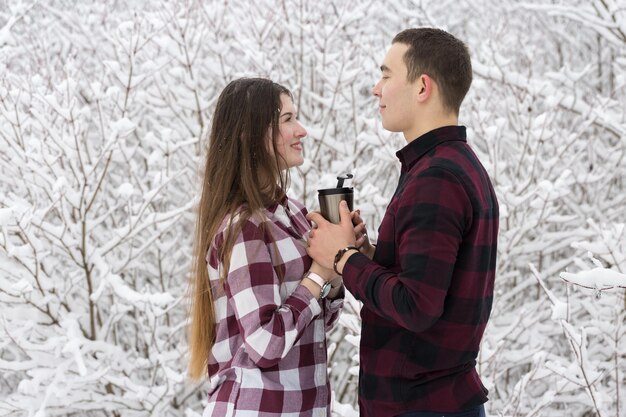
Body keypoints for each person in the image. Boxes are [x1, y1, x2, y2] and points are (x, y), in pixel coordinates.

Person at [307, 28, 499, 417]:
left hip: (422, 404)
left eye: (386, 75)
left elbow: (417, 306)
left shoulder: (437, 177)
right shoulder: (451, 165)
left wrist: (343, 258)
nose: (376, 89)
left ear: (422, 87)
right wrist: (368, 256)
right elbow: (431, 284)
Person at [188, 78, 344, 417]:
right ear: (251, 135)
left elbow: (319, 323)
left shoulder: (295, 214)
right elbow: (265, 344)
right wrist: (318, 274)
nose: (301, 130)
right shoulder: (244, 227)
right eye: (287, 120)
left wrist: (339, 259)